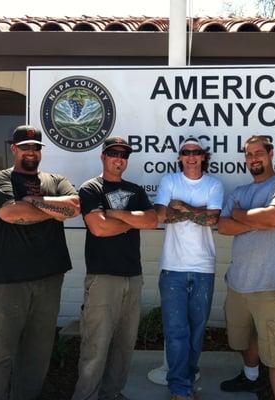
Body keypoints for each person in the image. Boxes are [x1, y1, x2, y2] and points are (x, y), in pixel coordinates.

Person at [0, 125, 80, 400]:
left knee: (38, 352)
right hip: (8, 278)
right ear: (14, 149)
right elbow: (9, 213)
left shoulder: (55, 180)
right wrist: (51, 209)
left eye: (35, 147)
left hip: (49, 276)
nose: (30, 152)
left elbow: (73, 207)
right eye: (25, 147)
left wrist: (33, 201)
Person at [72, 136, 157, 400]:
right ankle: (86, 396)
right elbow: (98, 228)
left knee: (124, 345)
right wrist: (134, 220)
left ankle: (112, 394)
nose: (118, 159)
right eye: (113, 154)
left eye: (123, 155)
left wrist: (117, 215)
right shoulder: (91, 189)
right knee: (95, 347)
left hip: (133, 276)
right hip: (103, 277)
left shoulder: (135, 189)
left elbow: (153, 220)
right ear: (103, 157)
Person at [218, 135, 275, 400]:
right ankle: (250, 378)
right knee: (243, 340)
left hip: (271, 285)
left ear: (271, 153)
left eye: (258, 153)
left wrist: (241, 216)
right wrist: (259, 220)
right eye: (248, 154)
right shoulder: (241, 192)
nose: (253, 158)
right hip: (238, 284)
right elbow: (222, 226)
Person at [154, 136, 224, 400]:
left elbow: (213, 219)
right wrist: (198, 212)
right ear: (180, 157)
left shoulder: (214, 184)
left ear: (204, 156)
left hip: (204, 268)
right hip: (173, 268)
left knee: (196, 331)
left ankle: (187, 375)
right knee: (176, 331)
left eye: (196, 152)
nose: (191, 156)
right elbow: (161, 215)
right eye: (186, 152)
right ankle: (180, 389)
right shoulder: (169, 181)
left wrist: (181, 206)